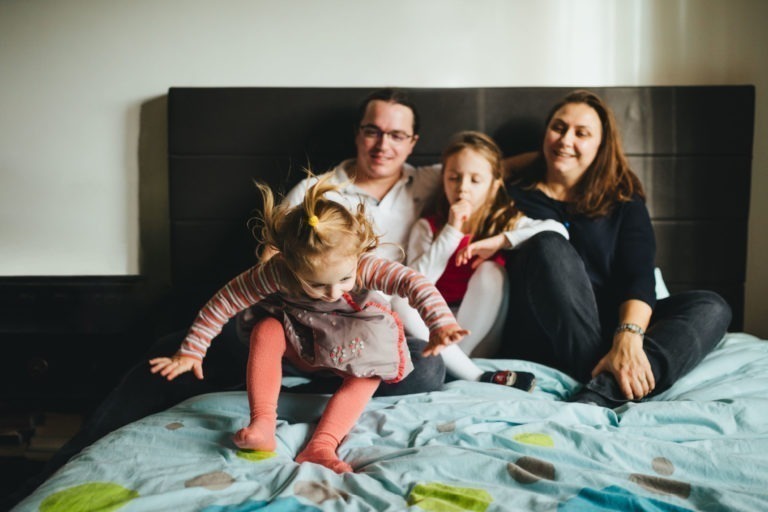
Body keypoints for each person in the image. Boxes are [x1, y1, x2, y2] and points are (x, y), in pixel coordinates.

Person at [3, 87, 449, 506]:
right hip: (294, 329)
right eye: (372, 130)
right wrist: (202, 344)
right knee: (171, 355)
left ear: (413, 142)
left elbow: (495, 167)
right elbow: (262, 273)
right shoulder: (313, 194)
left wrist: (441, 320)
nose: (382, 144)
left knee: (430, 366)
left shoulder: (433, 181)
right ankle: (57, 468)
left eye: (396, 134)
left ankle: (317, 397)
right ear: (358, 133)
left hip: (358, 337)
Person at [150, 176, 467, 473]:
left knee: (381, 369)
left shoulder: (363, 263)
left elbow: (414, 283)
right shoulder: (276, 271)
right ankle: (262, 423)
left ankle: (322, 444)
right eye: (316, 285)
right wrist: (191, 351)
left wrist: (440, 324)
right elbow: (225, 301)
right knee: (265, 328)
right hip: (300, 344)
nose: (333, 293)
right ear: (290, 265)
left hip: (353, 347)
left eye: (344, 279)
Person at [501, 90, 732, 407]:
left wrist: (628, 336)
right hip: (547, 333)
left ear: (601, 146)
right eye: (558, 128)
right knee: (547, 243)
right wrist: (537, 157)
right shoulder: (511, 196)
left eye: (582, 134)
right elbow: (464, 172)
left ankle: (604, 388)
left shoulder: (622, 199)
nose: (566, 140)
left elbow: (638, 275)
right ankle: (604, 381)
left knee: (712, 306)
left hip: (615, 326)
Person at [393, 130, 569, 389]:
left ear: (494, 184)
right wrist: (451, 230)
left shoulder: (503, 223)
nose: (463, 188)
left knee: (490, 271)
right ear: (443, 180)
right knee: (399, 300)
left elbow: (558, 230)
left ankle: (456, 366)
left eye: (475, 180)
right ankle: (469, 373)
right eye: (454, 178)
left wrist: (500, 241)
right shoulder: (427, 227)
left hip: (481, 332)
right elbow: (414, 283)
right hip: (435, 327)